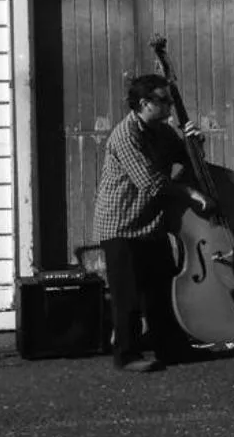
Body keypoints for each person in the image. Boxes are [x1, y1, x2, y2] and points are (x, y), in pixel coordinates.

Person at [91, 73, 212, 373]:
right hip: (121, 224)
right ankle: (127, 355)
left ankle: (172, 348)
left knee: (162, 290)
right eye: (164, 100)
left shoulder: (163, 131)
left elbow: (188, 161)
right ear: (144, 103)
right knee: (128, 295)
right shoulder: (125, 135)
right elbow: (150, 183)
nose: (171, 106)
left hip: (151, 222)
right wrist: (189, 192)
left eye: (170, 100)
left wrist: (195, 144)